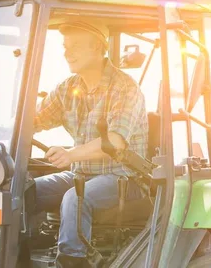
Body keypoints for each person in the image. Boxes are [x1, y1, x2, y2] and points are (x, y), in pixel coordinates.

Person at [32, 19, 148, 266]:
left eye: (74, 46)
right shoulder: (68, 88)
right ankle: (25, 246)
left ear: (97, 48)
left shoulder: (125, 88)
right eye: (65, 46)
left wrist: (71, 154)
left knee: (75, 198)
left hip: (124, 179)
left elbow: (115, 142)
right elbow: (35, 119)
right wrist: (9, 125)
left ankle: (74, 261)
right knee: (25, 191)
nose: (66, 52)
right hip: (81, 175)